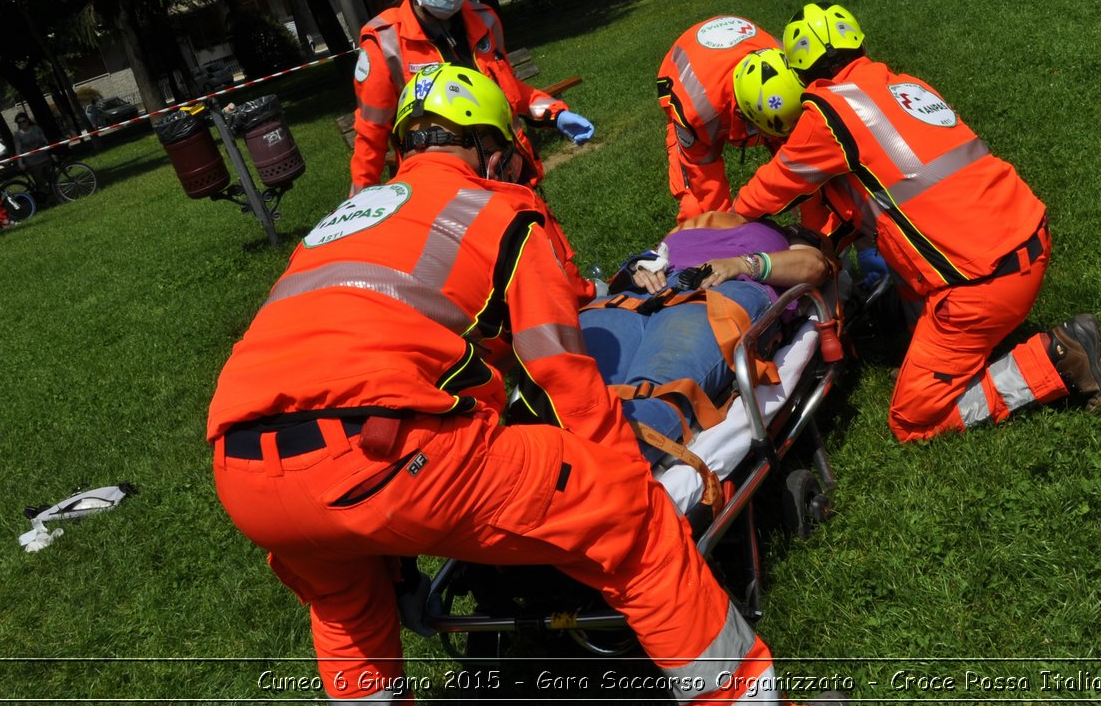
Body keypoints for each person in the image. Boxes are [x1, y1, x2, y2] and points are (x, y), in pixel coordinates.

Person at [209, 65, 813, 706]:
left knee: (344, 608)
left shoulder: (345, 220)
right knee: (636, 524)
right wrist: (618, 475)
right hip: (388, 449)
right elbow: (560, 374)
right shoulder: (500, 209)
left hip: (244, 471)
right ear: (490, 150)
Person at [729, 5, 1101, 443]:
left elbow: (768, 191)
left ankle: (1058, 358)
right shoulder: (906, 86)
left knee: (912, 419)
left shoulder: (828, 116)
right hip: (1028, 237)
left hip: (979, 284)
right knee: (907, 262)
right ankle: (939, 338)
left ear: (802, 75)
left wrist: (726, 222)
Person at [348, 0, 593, 196]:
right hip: (445, 195)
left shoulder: (485, 21)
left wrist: (554, 112)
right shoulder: (385, 45)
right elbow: (371, 139)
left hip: (510, 177)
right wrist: (360, 204)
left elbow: (506, 91)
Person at [582, 211, 832, 455]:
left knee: (655, 394)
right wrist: (638, 268)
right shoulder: (688, 225)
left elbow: (815, 266)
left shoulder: (785, 232)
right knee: (574, 391)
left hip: (717, 293)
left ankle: (599, 473)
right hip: (631, 300)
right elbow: (650, 257)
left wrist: (741, 264)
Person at [656, 14, 780, 221]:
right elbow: (706, 180)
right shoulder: (697, 113)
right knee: (696, 206)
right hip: (686, 77)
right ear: (742, 114)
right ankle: (694, 247)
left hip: (733, 68)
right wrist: (726, 230)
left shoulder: (795, 73)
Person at [13, 113, 54, 204]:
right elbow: (18, 149)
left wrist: (47, 147)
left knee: (51, 178)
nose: (22, 124)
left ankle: (55, 195)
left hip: (44, 157)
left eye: (23, 121)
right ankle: (46, 200)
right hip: (32, 162)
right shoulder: (17, 135)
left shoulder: (36, 128)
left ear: (28, 120)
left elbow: (45, 140)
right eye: (19, 123)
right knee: (40, 182)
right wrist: (20, 163)